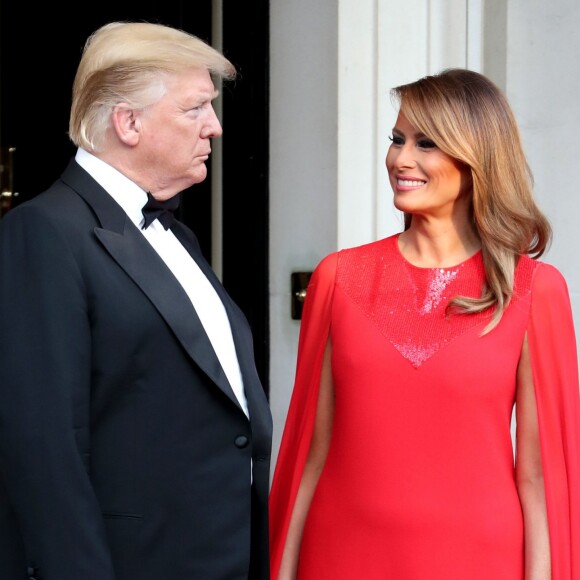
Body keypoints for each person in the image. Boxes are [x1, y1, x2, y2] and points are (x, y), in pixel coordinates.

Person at [269, 68, 580, 580]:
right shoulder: (338, 277)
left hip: (479, 560)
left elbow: (537, 477)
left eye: (426, 143)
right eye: (397, 139)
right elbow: (310, 456)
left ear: (474, 156)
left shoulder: (534, 289)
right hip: (341, 554)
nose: (401, 159)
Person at [0, 21, 272, 580]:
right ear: (129, 123)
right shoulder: (44, 232)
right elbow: (43, 444)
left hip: (221, 555)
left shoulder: (176, 233)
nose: (214, 128)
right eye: (196, 108)